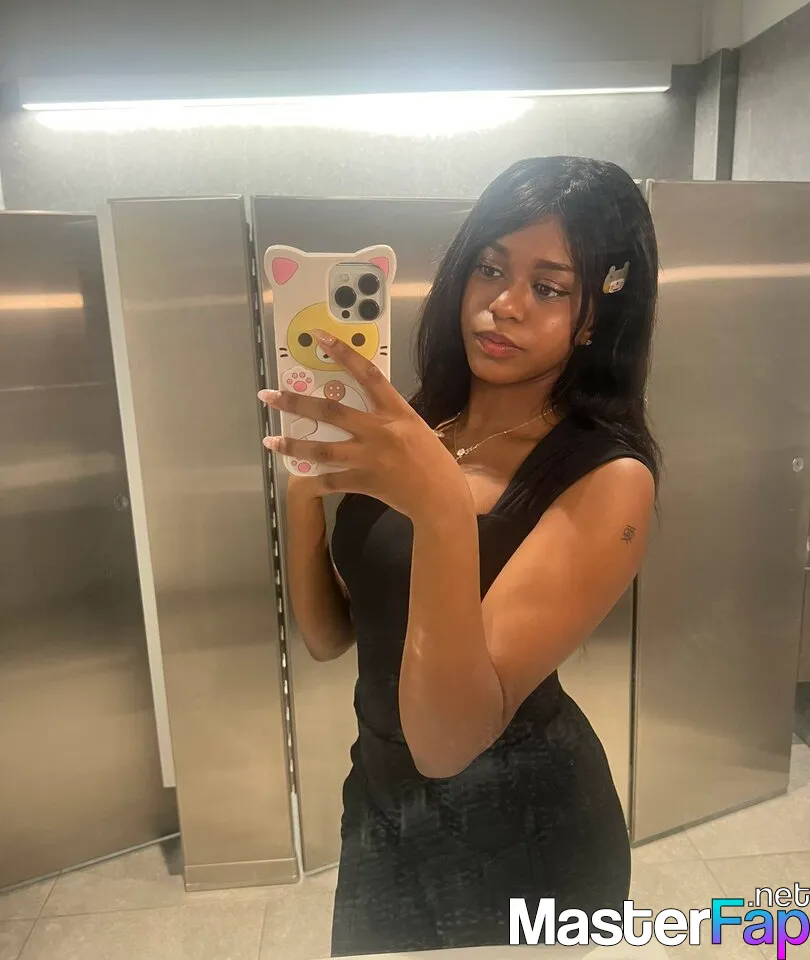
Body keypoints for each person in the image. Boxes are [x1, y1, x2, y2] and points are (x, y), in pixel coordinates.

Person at [259, 155, 660, 956]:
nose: (503, 305)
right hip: (381, 808)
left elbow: (448, 742)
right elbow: (333, 637)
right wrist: (304, 487)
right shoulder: (422, 428)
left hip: (525, 828)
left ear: (593, 317)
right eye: (491, 268)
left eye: (548, 287)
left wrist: (443, 506)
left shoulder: (608, 478)